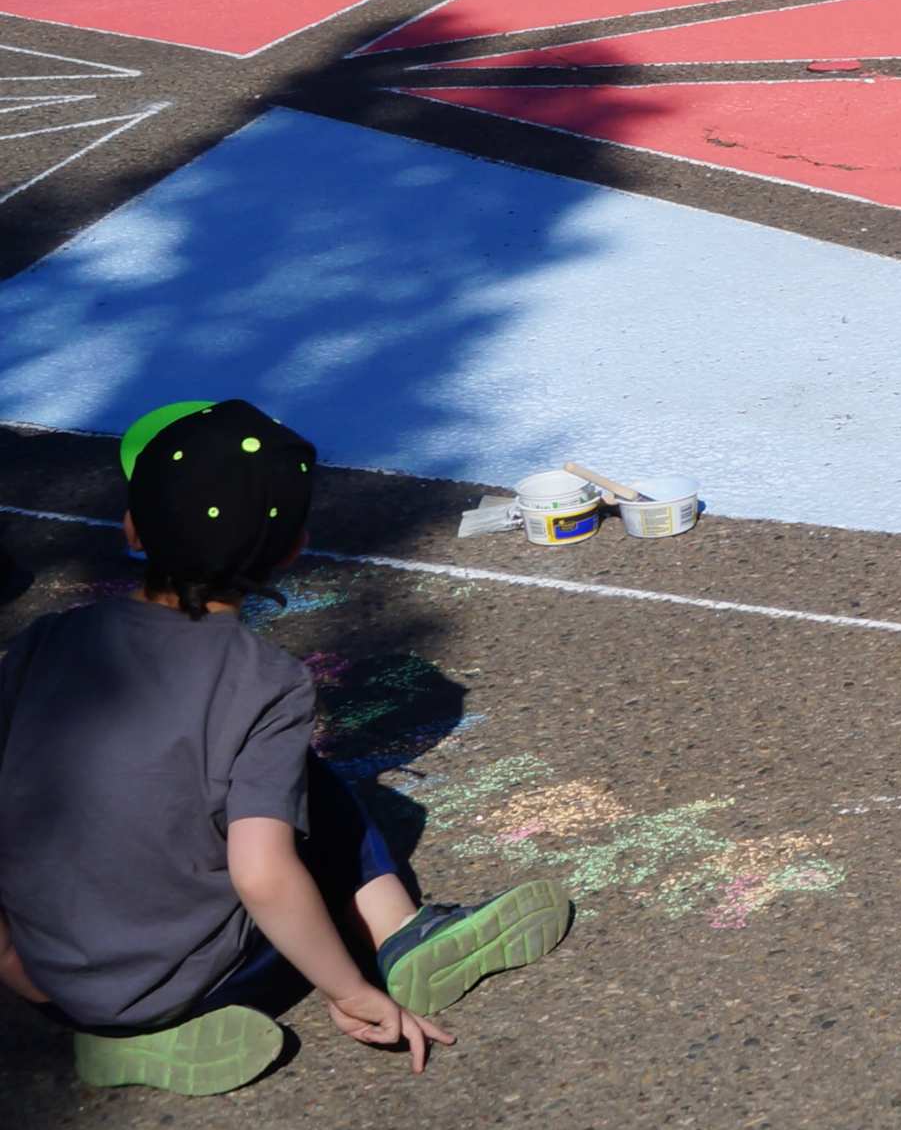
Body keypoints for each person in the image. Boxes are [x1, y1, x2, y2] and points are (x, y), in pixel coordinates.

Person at [0, 399, 572, 1096]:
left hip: (48, 974)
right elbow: (263, 874)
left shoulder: (44, 640)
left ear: (130, 528)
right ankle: (398, 931)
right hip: (201, 979)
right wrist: (349, 990)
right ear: (295, 549)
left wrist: (11, 959)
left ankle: (111, 1041)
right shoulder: (263, 681)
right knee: (302, 782)